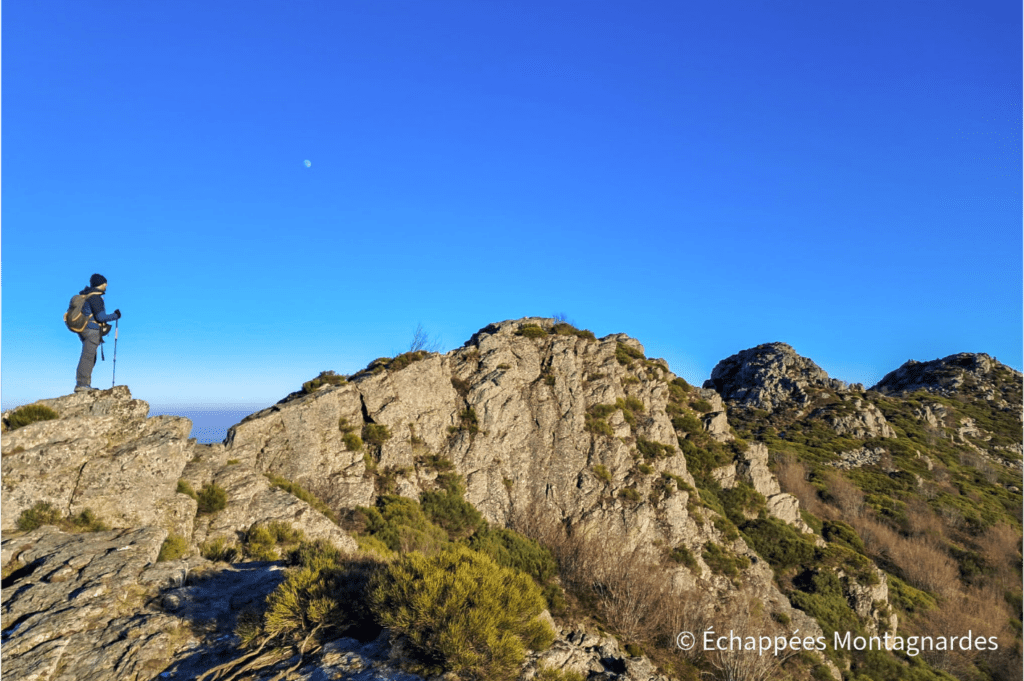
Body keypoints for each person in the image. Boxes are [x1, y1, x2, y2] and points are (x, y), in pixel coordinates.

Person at [74, 274, 122, 393]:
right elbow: (101, 317)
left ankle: (84, 384)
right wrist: (115, 315)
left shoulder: (88, 295)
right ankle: (82, 385)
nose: (106, 285)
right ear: (101, 283)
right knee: (88, 357)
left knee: (90, 356)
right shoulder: (95, 297)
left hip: (85, 329)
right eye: (105, 283)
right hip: (91, 330)